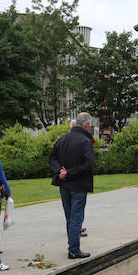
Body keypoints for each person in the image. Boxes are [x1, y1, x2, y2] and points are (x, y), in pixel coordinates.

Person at [50, 111, 95, 259]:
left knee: (69, 217)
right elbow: (88, 165)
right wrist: (69, 173)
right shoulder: (86, 142)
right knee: (76, 218)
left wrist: (60, 171)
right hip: (78, 185)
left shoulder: (62, 138)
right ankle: (74, 250)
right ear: (87, 125)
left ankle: (72, 246)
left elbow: (52, 158)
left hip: (64, 185)